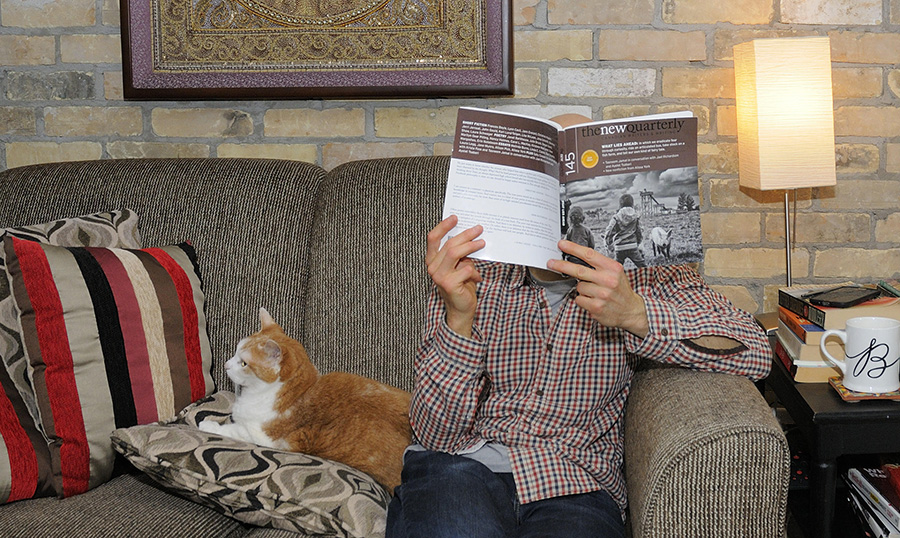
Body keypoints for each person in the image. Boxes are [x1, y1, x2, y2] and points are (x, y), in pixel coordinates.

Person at [385, 116, 771, 538]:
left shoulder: (644, 277)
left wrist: (634, 315)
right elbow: (437, 435)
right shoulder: (474, 273)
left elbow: (754, 349)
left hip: (576, 482)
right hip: (460, 466)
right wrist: (459, 318)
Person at [604, 193, 646, 268]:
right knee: (642, 266)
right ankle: (648, 278)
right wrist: (638, 242)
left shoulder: (616, 217)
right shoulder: (636, 216)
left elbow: (609, 232)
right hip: (632, 245)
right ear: (632, 204)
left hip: (619, 247)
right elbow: (639, 231)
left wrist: (609, 244)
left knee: (616, 268)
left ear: (620, 205)